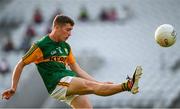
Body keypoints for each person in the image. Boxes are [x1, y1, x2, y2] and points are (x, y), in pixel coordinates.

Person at [1, 15, 143, 109]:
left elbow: (78, 69)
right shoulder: (41, 45)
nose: (70, 34)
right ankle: (128, 85)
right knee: (89, 86)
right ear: (56, 27)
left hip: (68, 80)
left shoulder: (66, 47)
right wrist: (14, 87)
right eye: (68, 30)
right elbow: (21, 64)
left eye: (71, 30)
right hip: (57, 83)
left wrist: (99, 83)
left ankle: (127, 85)